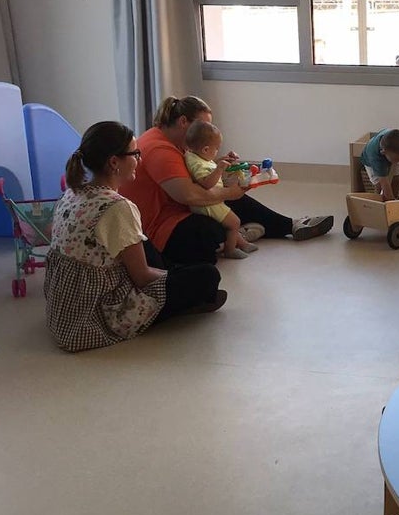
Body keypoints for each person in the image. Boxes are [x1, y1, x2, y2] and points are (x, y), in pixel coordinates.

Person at [44, 121, 225, 352]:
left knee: (144, 242)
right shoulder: (118, 207)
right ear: (113, 162)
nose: (140, 159)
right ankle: (178, 303)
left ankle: (177, 276)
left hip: (65, 312)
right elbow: (142, 277)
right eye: (135, 153)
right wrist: (172, 277)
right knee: (207, 275)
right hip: (93, 318)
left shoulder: (72, 192)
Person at [122, 95, 334, 267]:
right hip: (160, 225)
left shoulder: (177, 143)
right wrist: (228, 193)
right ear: (183, 122)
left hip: (178, 208)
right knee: (212, 224)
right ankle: (237, 234)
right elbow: (189, 194)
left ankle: (288, 225)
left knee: (227, 197)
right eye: (202, 126)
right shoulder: (160, 149)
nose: (206, 133)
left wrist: (221, 168)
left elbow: (197, 177)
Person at [183, 119, 258, 259]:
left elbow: (208, 166)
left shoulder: (196, 156)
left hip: (211, 201)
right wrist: (219, 168)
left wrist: (223, 161)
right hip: (208, 204)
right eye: (216, 149)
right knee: (234, 222)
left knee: (231, 220)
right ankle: (229, 251)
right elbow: (206, 183)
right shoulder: (198, 164)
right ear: (205, 149)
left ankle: (242, 243)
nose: (217, 152)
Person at [360, 128, 399, 201]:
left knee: (396, 178)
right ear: (384, 152)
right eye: (397, 159)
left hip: (388, 156)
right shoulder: (376, 158)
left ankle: (394, 197)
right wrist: (391, 202)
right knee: (379, 185)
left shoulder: (392, 140)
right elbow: (384, 183)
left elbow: (396, 157)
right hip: (370, 162)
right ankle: (377, 203)